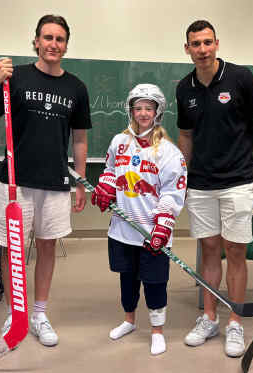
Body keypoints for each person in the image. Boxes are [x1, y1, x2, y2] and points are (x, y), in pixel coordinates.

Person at [0, 14, 92, 346]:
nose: (53, 44)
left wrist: (81, 181)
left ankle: (39, 314)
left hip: (56, 182)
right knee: (10, 248)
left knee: (46, 248)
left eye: (59, 39)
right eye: (47, 37)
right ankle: (17, 314)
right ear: (36, 42)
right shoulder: (13, 79)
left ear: (66, 45)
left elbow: (81, 138)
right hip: (15, 181)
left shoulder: (76, 88)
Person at [176, 20, 253, 357]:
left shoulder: (241, 78)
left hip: (238, 180)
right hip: (200, 183)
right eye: (195, 44)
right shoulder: (184, 88)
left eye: (207, 42)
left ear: (217, 44)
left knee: (235, 251)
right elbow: (185, 136)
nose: (202, 49)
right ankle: (209, 317)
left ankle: (235, 322)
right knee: (209, 249)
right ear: (187, 49)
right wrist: (181, 177)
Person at [91, 84, 187, 355]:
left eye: (149, 108)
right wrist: (106, 186)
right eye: (138, 107)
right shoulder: (119, 142)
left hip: (151, 231)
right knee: (128, 278)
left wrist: (163, 224)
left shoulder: (168, 152)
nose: (143, 113)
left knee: (155, 282)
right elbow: (110, 169)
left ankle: (157, 331)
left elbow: (173, 190)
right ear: (131, 110)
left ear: (157, 112)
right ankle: (129, 321)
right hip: (123, 230)